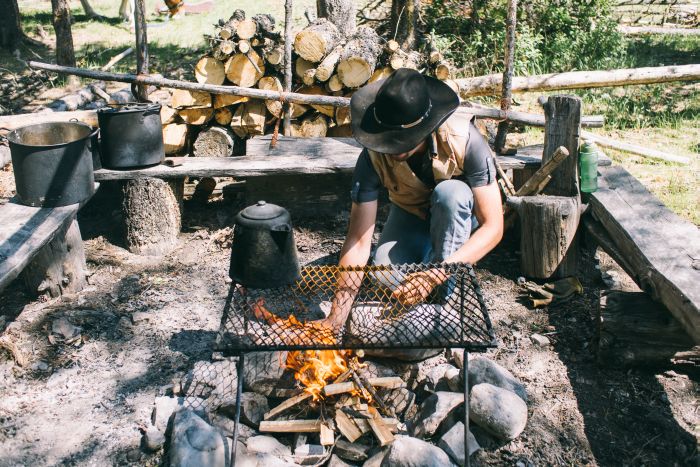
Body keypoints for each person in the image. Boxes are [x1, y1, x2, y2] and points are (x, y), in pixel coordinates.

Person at [321, 68, 503, 331]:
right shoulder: (370, 158)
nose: (395, 147)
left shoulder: (465, 139)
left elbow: (493, 227)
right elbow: (359, 241)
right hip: (411, 215)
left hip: (458, 218)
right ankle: (426, 277)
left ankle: (446, 298)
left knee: (449, 193)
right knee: (384, 275)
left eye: (403, 140)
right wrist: (336, 318)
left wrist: (437, 274)